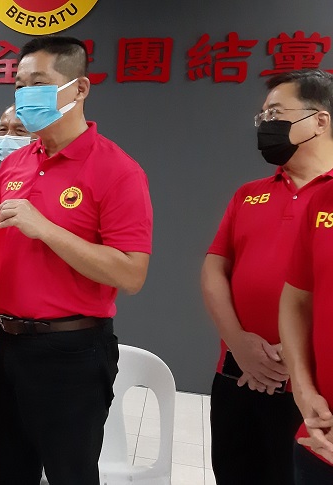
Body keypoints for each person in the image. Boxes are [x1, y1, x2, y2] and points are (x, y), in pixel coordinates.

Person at [0, 36, 152, 485]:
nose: (26, 95)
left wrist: (46, 229)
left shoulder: (118, 170)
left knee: (70, 473)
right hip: (1, 341)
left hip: (69, 351)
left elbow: (131, 273)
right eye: (20, 85)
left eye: (39, 83)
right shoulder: (17, 163)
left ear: (79, 88)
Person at [203, 69, 333, 485]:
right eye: (262, 117)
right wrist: (240, 344)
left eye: (276, 113)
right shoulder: (248, 193)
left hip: (312, 394)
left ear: (320, 120)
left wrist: (292, 363)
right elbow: (214, 268)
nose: (264, 125)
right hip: (237, 375)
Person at [276, 79, 333, 485]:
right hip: (317, 438)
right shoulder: (323, 200)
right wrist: (303, 388)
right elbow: (296, 300)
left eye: (276, 114)